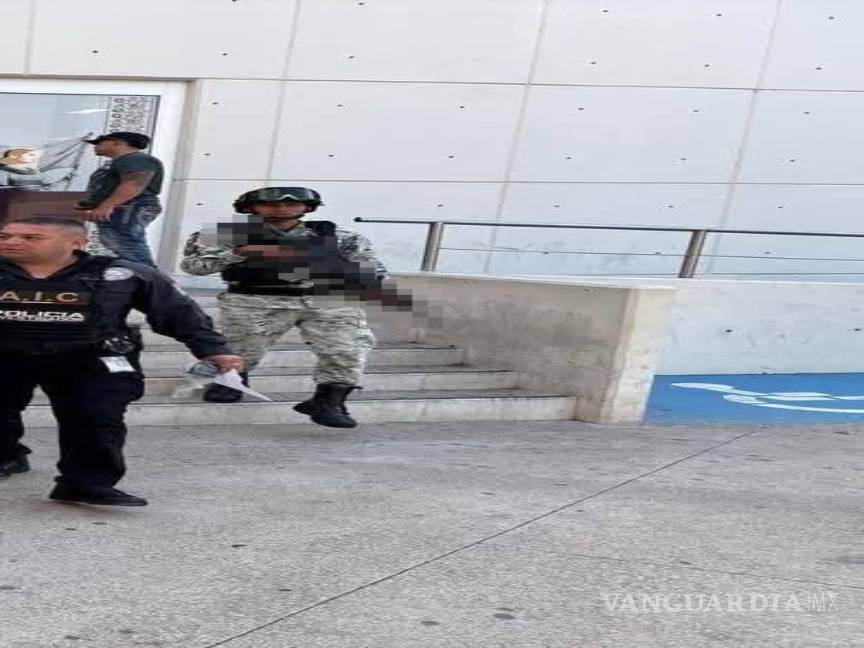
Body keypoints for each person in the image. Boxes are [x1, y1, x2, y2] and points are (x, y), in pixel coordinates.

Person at [0, 216, 242, 506]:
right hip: (6, 355)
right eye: (6, 236)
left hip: (88, 359)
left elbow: (177, 310)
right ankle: (7, 456)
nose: (12, 242)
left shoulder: (122, 274)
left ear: (76, 242)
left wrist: (213, 349)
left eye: (31, 237)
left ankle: (86, 483)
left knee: (96, 418)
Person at [180, 187, 388, 428]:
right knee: (243, 348)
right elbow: (193, 266)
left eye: (291, 204)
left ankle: (329, 400)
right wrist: (239, 253)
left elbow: (374, 273)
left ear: (308, 207)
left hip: (328, 300)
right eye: (271, 204)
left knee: (347, 349)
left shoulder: (339, 237)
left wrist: (317, 261)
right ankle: (231, 380)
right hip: (255, 300)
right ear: (250, 208)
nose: (281, 208)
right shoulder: (223, 234)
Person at [77, 132, 164, 266]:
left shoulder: (135, 158)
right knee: (118, 241)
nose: (95, 146)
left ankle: (148, 276)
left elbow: (134, 183)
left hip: (131, 205)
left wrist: (106, 205)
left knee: (125, 243)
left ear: (118, 142)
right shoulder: (124, 160)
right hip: (126, 206)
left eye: (99, 142)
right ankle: (142, 274)